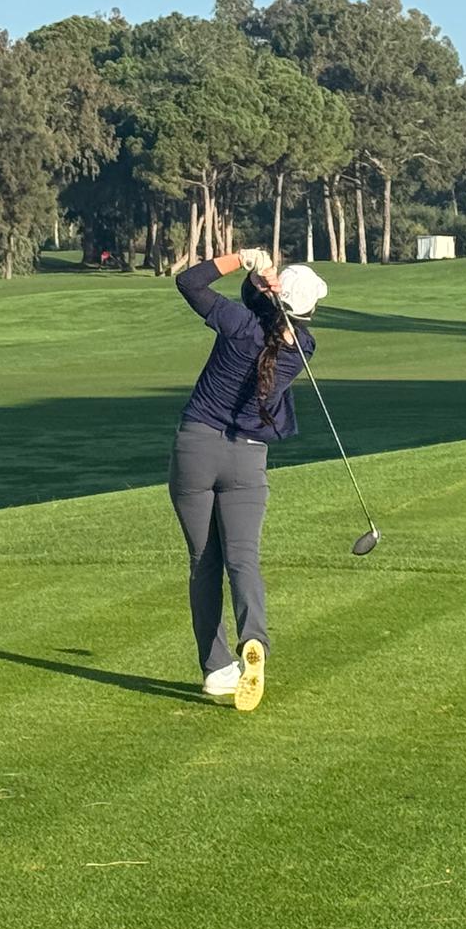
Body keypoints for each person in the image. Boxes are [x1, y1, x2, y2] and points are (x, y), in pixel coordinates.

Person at [169, 249, 329, 711]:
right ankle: (253, 637)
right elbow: (273, 325)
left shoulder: (238, 323)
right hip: (247, 459)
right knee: (242, 558)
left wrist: (242, 261)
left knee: (204, 561)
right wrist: (260, 288)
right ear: (307, 311)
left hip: (196, 448)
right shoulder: (302, 349)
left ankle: (217, 669)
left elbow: (189, 283)